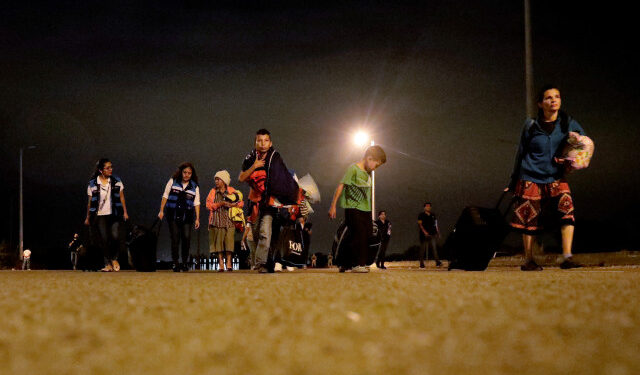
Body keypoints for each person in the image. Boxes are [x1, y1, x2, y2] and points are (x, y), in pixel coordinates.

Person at [507, 85, 587, 271]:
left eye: (557, 96)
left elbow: (583, 143)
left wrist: (570, 157)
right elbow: (520, 153)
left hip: (556, 176)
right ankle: (529, 260)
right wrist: (513, 181)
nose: (553, 100)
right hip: (530, 176)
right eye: (548, 98)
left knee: (567, 211)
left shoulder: (568, 122)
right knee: (529, 219)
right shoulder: (530, 125)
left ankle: (567, 257)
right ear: (540, 103)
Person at [238, 129, 299, 273]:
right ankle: (266, 260)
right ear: (255, 143)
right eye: (259, 140)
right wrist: (255, 166)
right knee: (257, 234)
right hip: (254, 203)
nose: (263, 144)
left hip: (270, 203)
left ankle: (262, 264)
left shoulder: (275, 157)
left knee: (266, 232)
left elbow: (282, 178)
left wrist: (290, 198)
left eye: (266, 140)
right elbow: (241, 178)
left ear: (270, 143)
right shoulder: (250, 158)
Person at [329, 145, 387, 273]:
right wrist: (333, 205)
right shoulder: (353, 169)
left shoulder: (368, 174)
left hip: (365, 209)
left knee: (366, 234)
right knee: (359, 234)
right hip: (352, 208)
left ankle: (345, 263)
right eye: (376, 165)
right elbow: (341, 185)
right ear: (369, 158)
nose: (375, 168)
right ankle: (357, 264)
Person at [84, 158, 129, 272]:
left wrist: (125, 212)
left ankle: (114, 258)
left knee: (115, 236)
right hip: (99, 214)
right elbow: (90, 201)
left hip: (114, 213)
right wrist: (88, 217)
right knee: (104, 239)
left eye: (111, 167)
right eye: (107, 168)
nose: (110, 170)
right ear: (100, 170)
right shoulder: (93, 183)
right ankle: (107, 263)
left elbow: (122, 197)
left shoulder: (116, 181)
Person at [158, 162, 201, 272]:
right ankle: (175, 263)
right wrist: (161, 210)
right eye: (185, 172)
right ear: (181, 172)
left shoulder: (194, 186)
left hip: (187, 216)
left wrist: (197, 218)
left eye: (189, 173)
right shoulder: (173, 181)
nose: (186, 175)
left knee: (186, 238)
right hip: (173, 214)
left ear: (192, 174)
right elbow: (165, 195)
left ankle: (185, 262)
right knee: (175, 238)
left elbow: (196, 203)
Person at [206, 170, 243, 272]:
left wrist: (232, 205)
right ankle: (221, 264)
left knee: (229, 241)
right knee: (219, 243)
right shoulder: (213, 191)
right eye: (216, 179)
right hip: (217, 220)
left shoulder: (231, 190)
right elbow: (208, 205)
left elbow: (241, 202)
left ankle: (229, 263)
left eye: (218, 179)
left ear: (224, 180)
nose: (216, 181)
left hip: (229, 220)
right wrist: (220, 204)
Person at [418, 202, 441, 268]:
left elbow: (435, 224)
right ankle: (421, 264)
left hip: (432, 234)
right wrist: (424, 232)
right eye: (427, 206)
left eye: (429, 206)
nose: (428, 207)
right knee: (423, 249)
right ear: (424, 207)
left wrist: (438, 232)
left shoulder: (433, 215)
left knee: (434, 248)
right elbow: (420, 224)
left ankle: (437, 262)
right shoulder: (421, 215)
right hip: (423, 235)